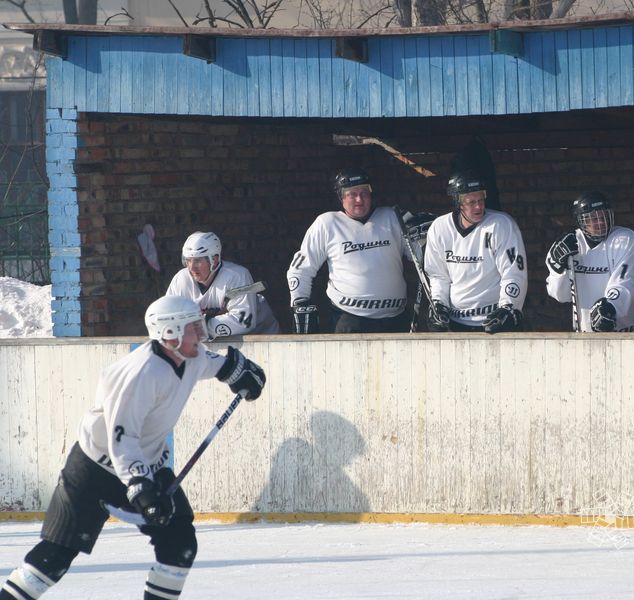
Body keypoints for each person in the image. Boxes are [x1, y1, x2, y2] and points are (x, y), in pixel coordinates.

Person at [0, 296, 266, 600]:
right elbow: (121, 439)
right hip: (94, 471)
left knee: (180, 545)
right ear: (171, 333)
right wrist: (141, 486)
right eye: (194, 327)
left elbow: (215, 364)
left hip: (147, 466)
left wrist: (238, 370)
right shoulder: (139, 374)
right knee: (55, 557)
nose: (202, 333)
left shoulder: (191, 356)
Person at [286, 167, 411, 334]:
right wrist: (299, 303)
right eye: (352, 194)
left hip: (396, 320)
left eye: (364, 192)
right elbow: (300, 269)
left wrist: (425, 238)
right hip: (350, 321)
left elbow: (423, 259)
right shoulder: (327, 223)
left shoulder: (393, 217)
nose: (359, 199)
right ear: (341, 197)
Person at [423, 170, 528, 333]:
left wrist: (508, 308)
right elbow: (438, 275)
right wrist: (439, 304)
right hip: (456, 323)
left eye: (481, 200)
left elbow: (513, 273)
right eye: (471, 202)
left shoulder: (501, 224)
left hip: (494, 323)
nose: (479, 206)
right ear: (458, 203)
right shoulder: (440, 228)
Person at [545, 192, 634, 333]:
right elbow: (561, 296)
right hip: (587, 336)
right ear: (581, 221)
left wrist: (610, 307)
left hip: (627, 332)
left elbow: (624, 283)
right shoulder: (569, 244)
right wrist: (558, 270)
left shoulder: (625, 240)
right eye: (592, 218)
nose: (600, 223)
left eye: (603, 216)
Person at [166, 231, 279, 339]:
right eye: (188, 260)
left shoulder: (237, 275)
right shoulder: (180, 279)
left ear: (214, 260)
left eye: (198, 261)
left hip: (262, 341)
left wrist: (196, 326)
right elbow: (166, 317)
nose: (191, 267)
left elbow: (243, 321)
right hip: (211, 342)